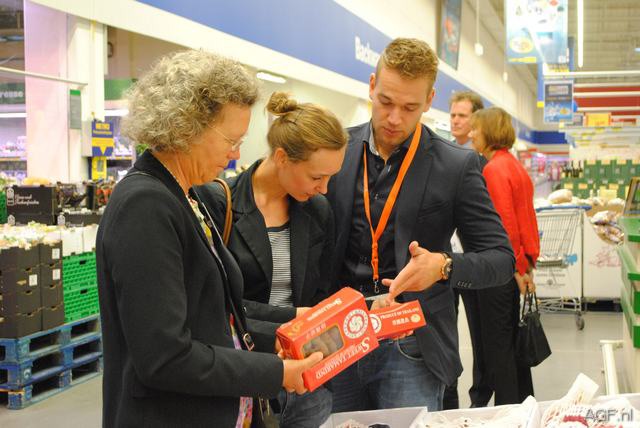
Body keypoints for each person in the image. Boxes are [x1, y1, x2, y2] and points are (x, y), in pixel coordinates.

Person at [96, 50, 322, 428]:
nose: (236, 154)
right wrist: (275, 373)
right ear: (185, 127)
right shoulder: (146, 206)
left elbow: (217, 312)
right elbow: (166, 357)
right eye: (231, 140)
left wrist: (289, 325)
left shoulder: (188, 194)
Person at [327, 37, 515, 413]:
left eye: (410, 107)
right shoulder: (336, 150)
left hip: (411, 344)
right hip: (338, 337)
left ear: (429, 101)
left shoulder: (456, 165)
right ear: (371, 86)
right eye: (385, 102)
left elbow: (501, 258)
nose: (394, 118)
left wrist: (443, 266)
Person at [196, 91, 347, 428]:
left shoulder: (317, 209)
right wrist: (292, 319)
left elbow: (322, 292)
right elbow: (218, 306)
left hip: (308, 377)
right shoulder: (218, 203)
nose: (324, 188)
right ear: (282, 157)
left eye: (331, 178)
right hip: (245, 374)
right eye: (316, 177)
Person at [468, 106, 539, 405]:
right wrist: (526, 267)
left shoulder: (493, 169)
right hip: (517, 266)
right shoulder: (514, 166)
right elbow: (526, 221)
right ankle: (525, 406)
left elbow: (504, 227)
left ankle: (508, 412)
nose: (471, 133)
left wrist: (516, 269)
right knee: (512, 344)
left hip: (499, 271)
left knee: (499, 350)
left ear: (489, 131)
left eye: (476, 128)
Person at [444, 90, 486, 410]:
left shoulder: (481, 162)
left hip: (473, 262)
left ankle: (479, 400)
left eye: (463, 115)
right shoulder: (443, 157)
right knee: (446, 332)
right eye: (453, 115)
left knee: (480, 335)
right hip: (444, 261)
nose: (456, 121)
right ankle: (448, 398)